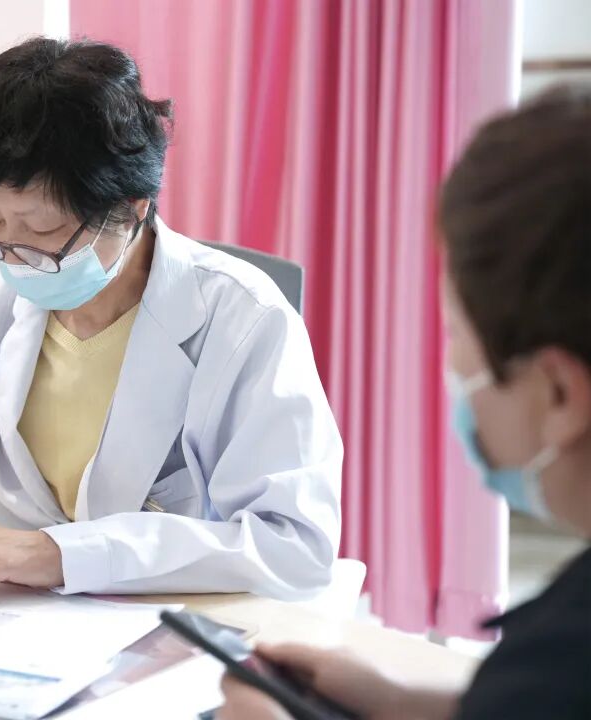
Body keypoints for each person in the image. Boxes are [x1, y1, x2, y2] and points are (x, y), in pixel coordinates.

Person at [0, 38, 342, 603]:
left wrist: (66, 554)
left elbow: (292, 542)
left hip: (171, 619)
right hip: (0, 615)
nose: (13, 254)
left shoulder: (245, 320)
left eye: (43, 230)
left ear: (132, 208)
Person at [217, 85, 591, 719]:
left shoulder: (561, 657)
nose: (452, 366)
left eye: (456, 334)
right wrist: (401, 702)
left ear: (557, 393)